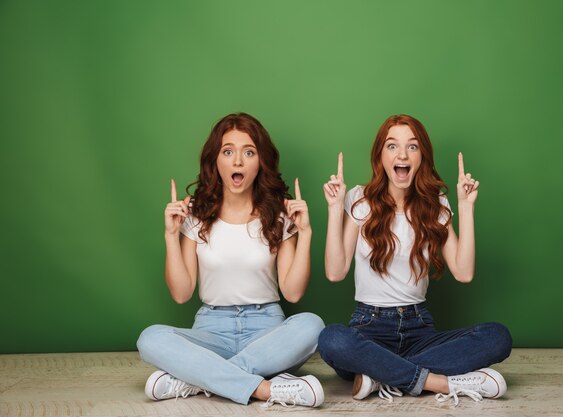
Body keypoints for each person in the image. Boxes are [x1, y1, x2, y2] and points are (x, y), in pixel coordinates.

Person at [318, 114, 512, 406]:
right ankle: (436, 381)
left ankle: (381, 374)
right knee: (332, 340)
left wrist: (466, 207)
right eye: (392, 146)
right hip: (368, 326)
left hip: (418, 327)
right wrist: (335, 209)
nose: (402, 154)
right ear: (380, 156)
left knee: (498, 336)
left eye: (412, 146)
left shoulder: (436, 205)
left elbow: (464, 272)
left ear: (422, 156)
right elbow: (335, 272)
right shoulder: (360, 199)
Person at [137, 112, 325, 408]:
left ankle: (198, 379)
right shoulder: (196, 218)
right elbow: (181, 292)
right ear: (216, 161)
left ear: (260, 162)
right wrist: (171, 236)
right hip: (212, 329)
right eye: (228, 151)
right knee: (150, 338)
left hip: (267, 331)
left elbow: (293, 292)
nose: (237, 161)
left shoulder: (278, 217)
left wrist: (306, 232)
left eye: (248, 152)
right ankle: (264, 389)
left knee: (312, 325)